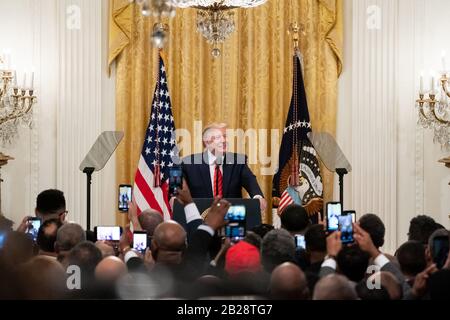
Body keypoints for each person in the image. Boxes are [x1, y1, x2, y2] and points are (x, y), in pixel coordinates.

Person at [182, 123, 266, 212]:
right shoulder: (189, 164)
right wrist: (173, 198)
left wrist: (258, 197)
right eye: (218, 137)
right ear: (206, 142)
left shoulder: (238, 161)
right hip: (201, 217)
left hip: (231, 217)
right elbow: (178, 190)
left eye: (225, 136)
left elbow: (250, 181)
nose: (223, 140)